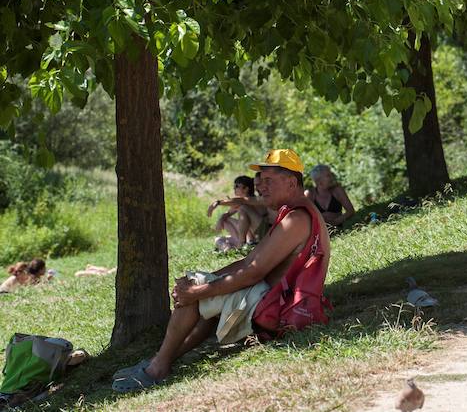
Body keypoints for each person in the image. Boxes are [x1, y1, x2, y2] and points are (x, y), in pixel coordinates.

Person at [112, 149, 331, 393]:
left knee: (198, 294)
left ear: (291, 182)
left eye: (269, 180)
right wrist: (212, 280)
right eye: (260, 180)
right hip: (274, 300)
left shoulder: (296, 219)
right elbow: (251, 261)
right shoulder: (293, 212)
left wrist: (199, 290)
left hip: (277, 310)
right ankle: (161, 359)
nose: (261, 187)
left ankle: (157, 368)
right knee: (205, 292)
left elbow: (253, 273)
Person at [206, 175, 269, 250]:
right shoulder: (241, 203)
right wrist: (221, 219)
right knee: (219, 238)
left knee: (243, 208)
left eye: (236, 186)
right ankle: (233, 246)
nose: (234, 188)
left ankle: (241, 244)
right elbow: (229, 212)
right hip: (254, 233)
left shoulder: (256, 199)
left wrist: (218, 202)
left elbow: (242, 201)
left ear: (246, 189)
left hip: (262, 234)